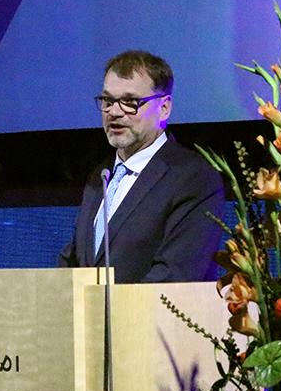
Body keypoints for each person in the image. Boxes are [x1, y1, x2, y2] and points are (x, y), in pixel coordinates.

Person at [58, 50, 224, 283]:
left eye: (130, 102)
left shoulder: (193, 177)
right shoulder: (101, 176)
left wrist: (113, 306)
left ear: (164, 108)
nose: (114, 112)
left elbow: (176, 274)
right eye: (107, 101)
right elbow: (74, 262)